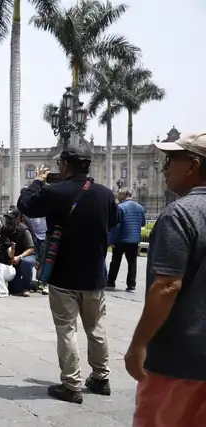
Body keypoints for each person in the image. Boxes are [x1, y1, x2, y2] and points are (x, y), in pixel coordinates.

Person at [17, 145, 118, 404]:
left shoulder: (55, 191)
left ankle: (71, 384)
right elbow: (114, 220)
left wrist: (37, 182)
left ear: (64, 165)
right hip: (95, 273)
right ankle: (101, 377)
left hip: (63, 274)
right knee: (96, 327)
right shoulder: (105, 194)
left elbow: (25, 206)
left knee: (67, 328)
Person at [126, 134, 206, 427]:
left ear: (193, 166)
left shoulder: (180, 214)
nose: (164, 166)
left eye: (172, 160)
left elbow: (167, 286)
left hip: (178, 360)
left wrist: (138, 345)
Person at [107, 188, 146, 292]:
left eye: (118, 194)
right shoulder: (140, 207)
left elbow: (116, 226)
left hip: (121, 239)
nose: (117, 196)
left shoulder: (120, 207)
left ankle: (111, 282)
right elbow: (143, 223)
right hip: (134, 240)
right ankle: (131, 284)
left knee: (115, 261)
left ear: (123, 195)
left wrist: (111, 240)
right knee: (132, 263)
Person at [1, 208, 36, 297]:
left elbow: (31, 249)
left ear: (16, 219)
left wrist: (19, 257)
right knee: (14, 290)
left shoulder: (24, 230)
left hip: (24, 256)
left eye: (11, 219)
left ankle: (26, 287)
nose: (8, 221)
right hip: (11, 259)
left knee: (26, 262)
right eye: (7, 219)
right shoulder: (4, 230)